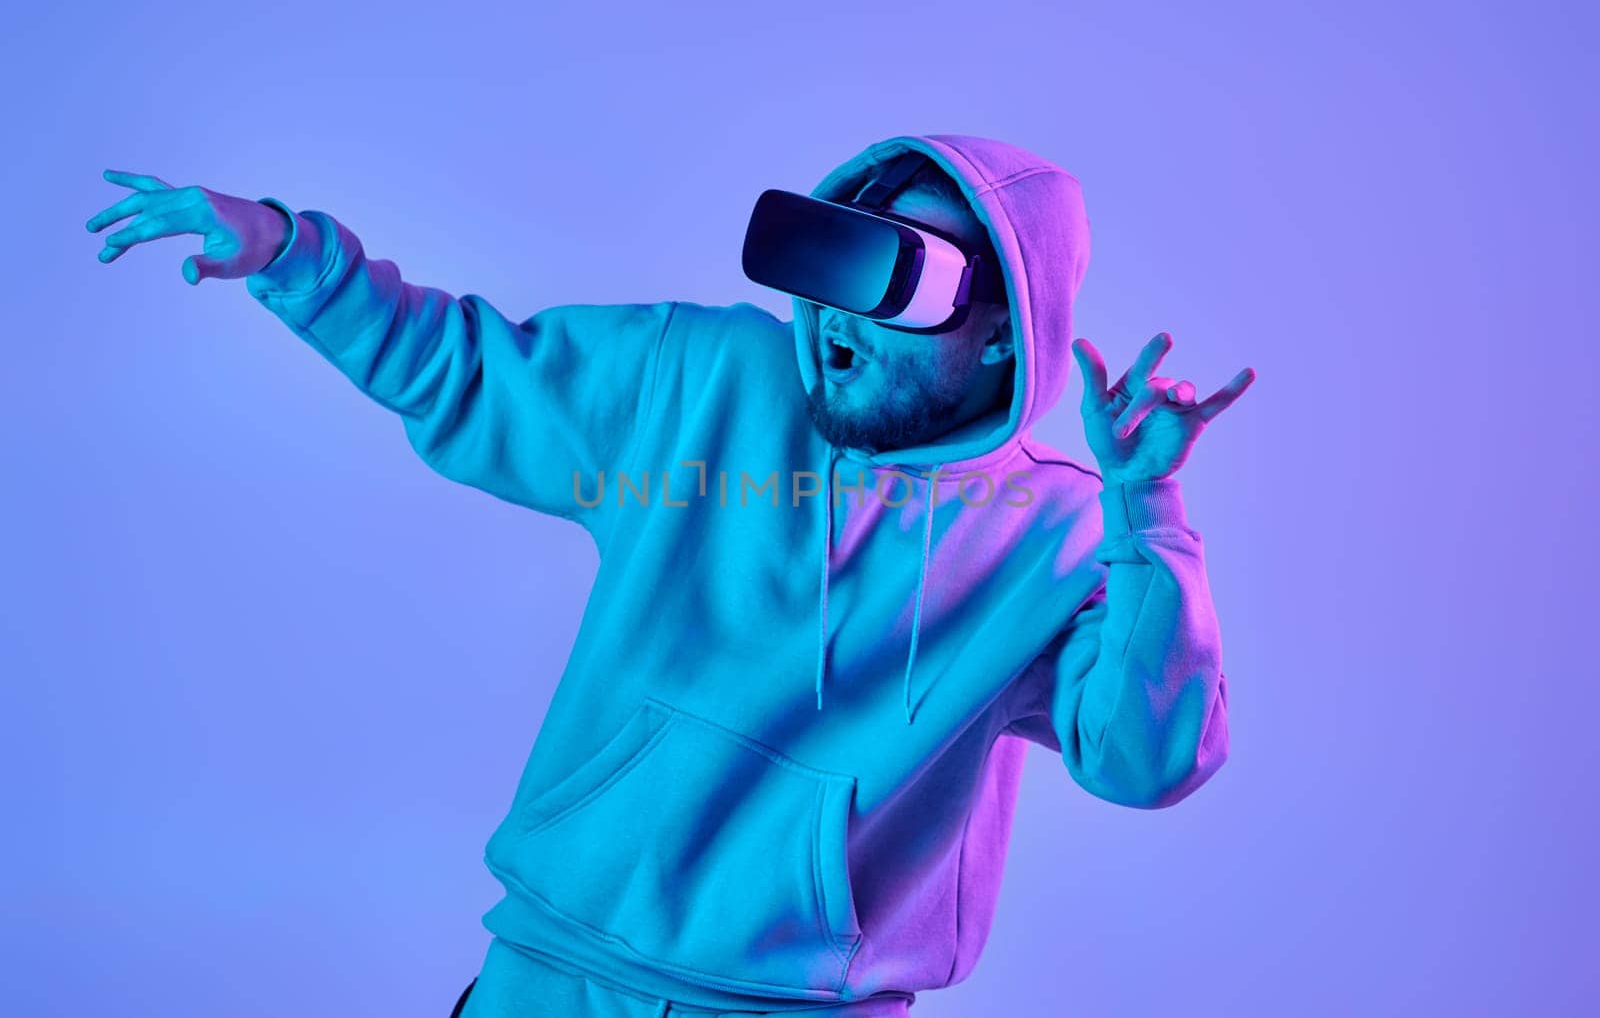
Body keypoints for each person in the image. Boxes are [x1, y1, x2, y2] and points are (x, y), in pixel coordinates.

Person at [86, 134, 1255, 1017]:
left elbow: (1146, 760)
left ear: (1007, 327)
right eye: (841, 258)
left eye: (903, 283)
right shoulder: (700, 379)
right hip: (547, 975)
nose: (841, 317)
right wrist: (292, 254)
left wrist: (1146, 507)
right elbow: (466, 368)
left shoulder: (1056, 534)